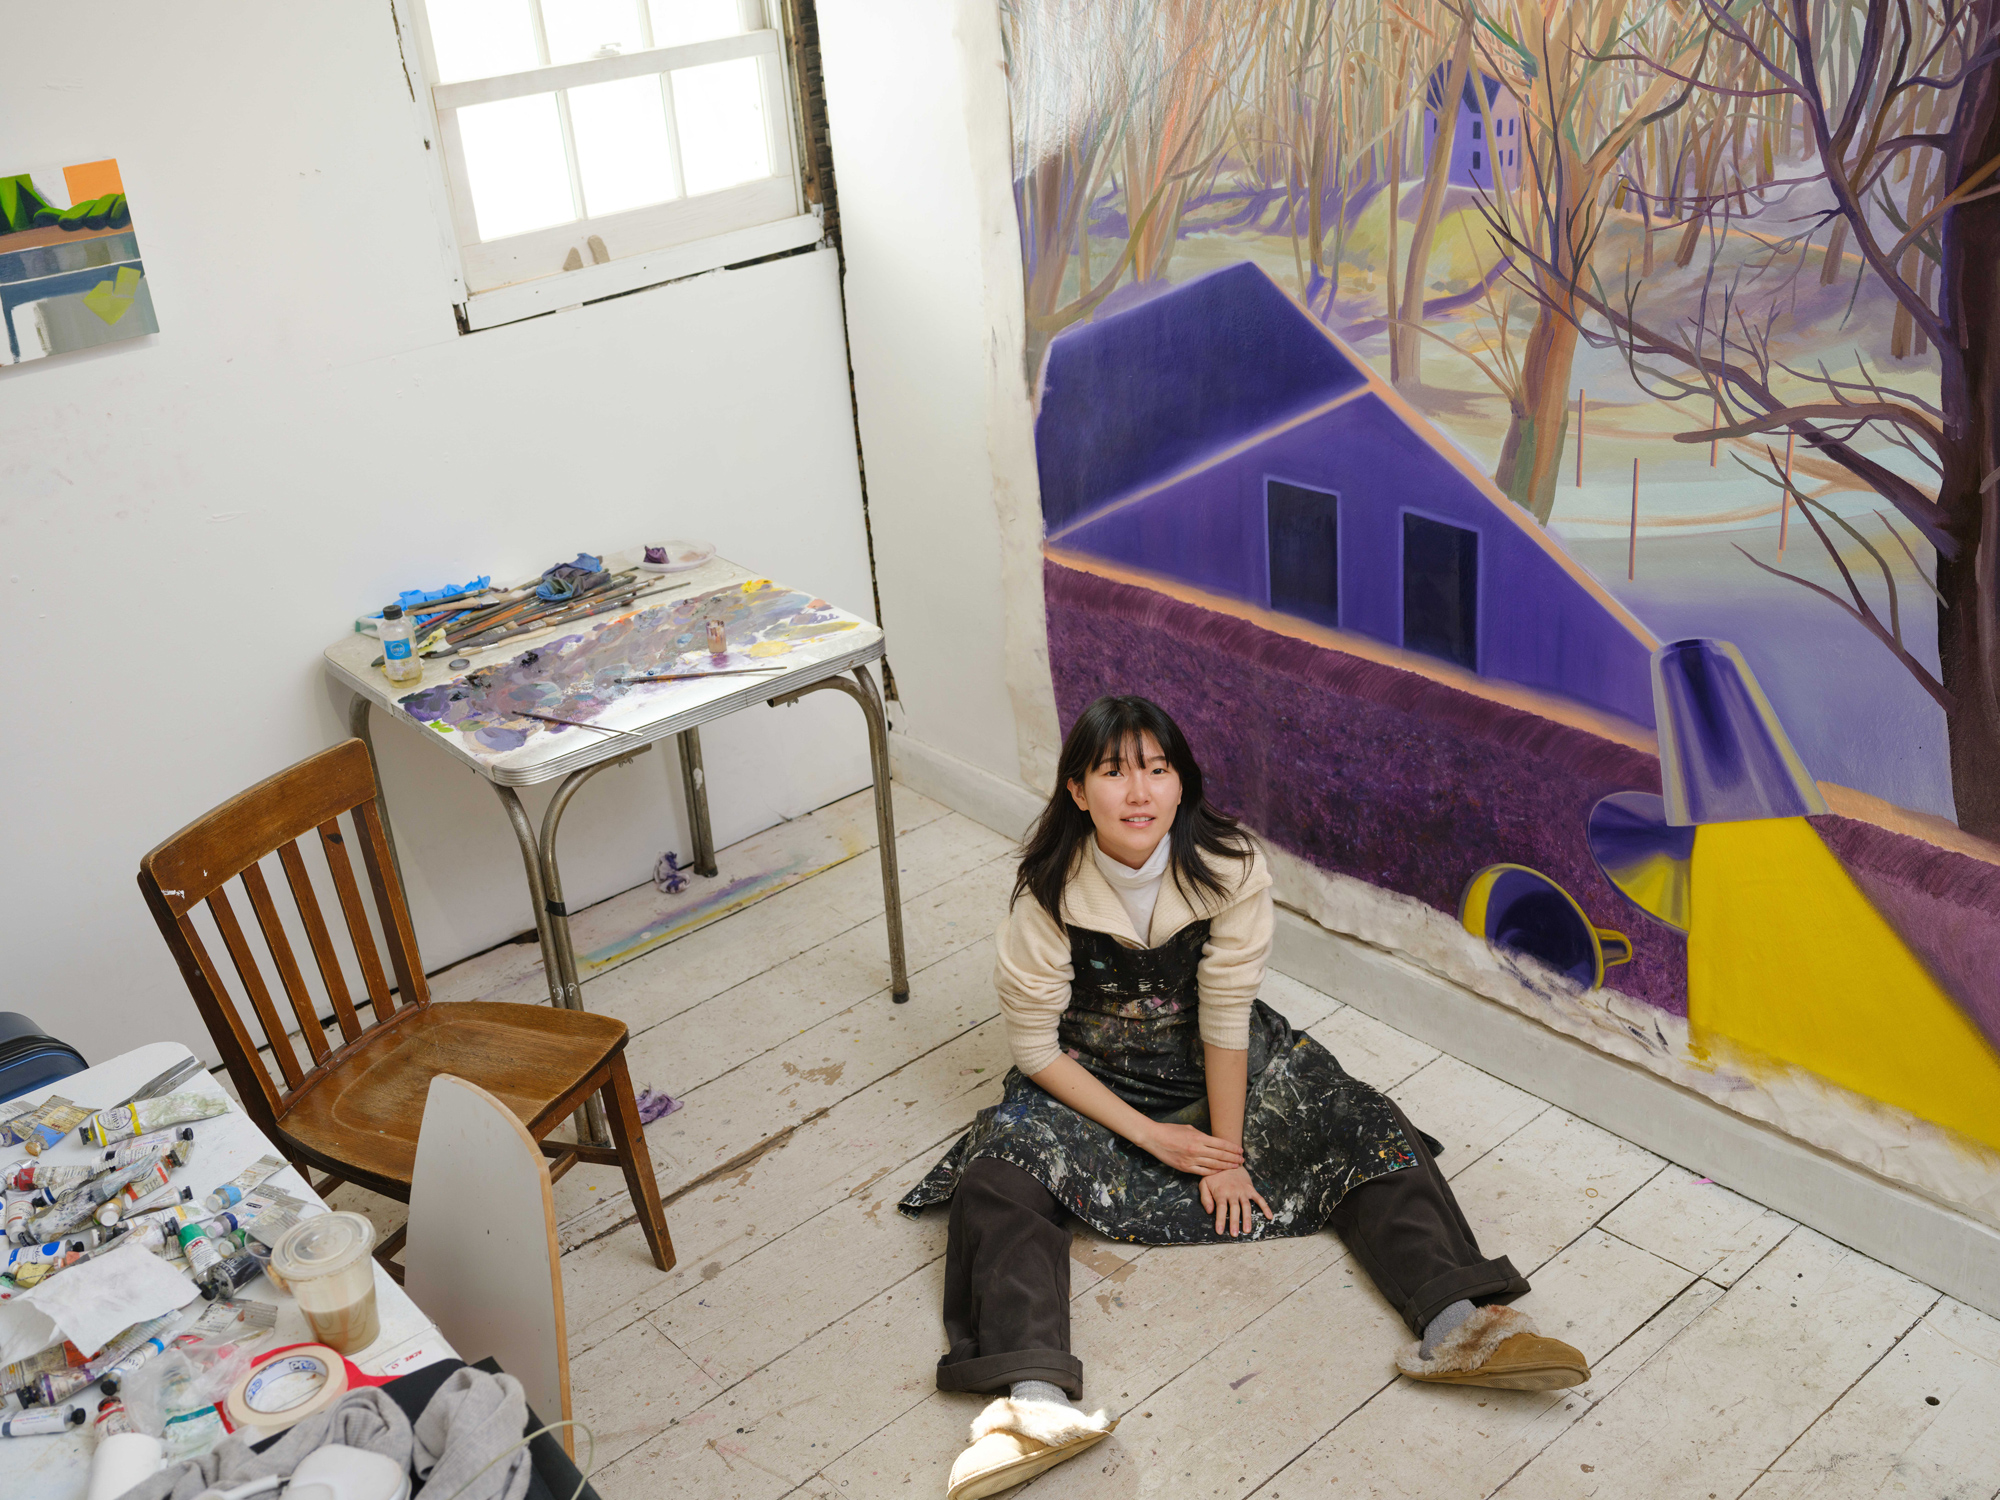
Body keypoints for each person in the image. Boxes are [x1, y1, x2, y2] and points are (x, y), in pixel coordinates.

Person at [898, 695, 1590, 1500]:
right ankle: (1033, 1406)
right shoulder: (1046, 893)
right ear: (1078, 791)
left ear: (1182, 785)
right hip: (1092, 1079)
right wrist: (1155, 1140)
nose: (1139, 792)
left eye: (1159, 770)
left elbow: (1226, 1017)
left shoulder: (1229, 866)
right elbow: (1035, 1049)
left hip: (1221, 1065)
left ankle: (1461, 1324)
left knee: (1361, 1120)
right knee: (999, 1176)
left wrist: (1224, 1153)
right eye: (1114, 772)